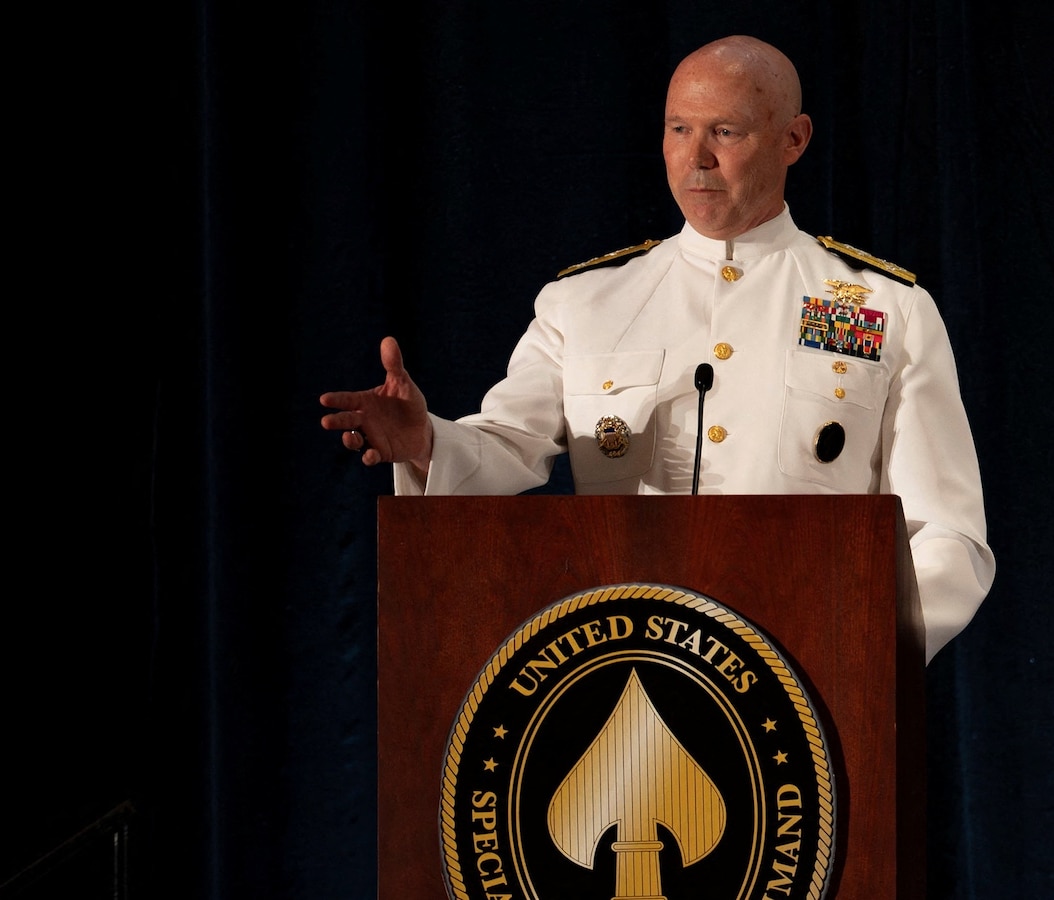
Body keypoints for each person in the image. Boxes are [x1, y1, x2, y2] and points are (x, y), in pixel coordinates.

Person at [320, 35, 994, 663]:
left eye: (725, 132)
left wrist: (862, 647)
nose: (696, 158)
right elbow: (506, 445)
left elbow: (948, 535)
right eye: (679, 130)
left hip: (810, 676)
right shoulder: (586, 303)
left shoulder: (886, 309)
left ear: (793, 139)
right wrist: (426, 442)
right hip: (629, 668)